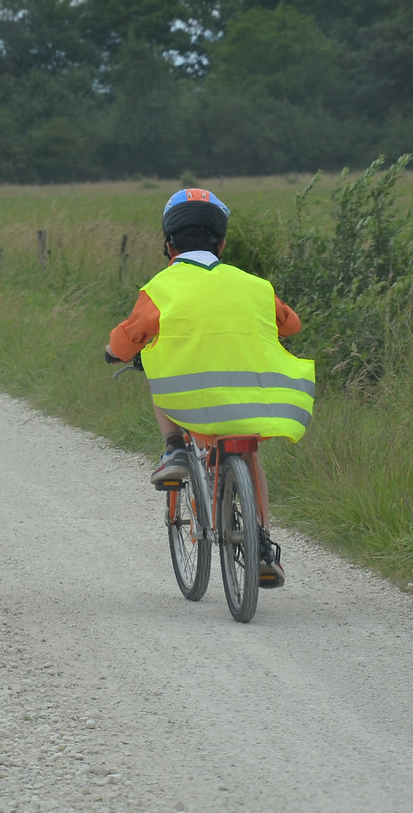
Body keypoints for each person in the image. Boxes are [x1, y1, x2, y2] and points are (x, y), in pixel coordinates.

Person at [104, 188, 315, 587]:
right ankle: (262, 545)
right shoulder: (256, 285)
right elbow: (291, 325)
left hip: (190, 405)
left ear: (168, 245)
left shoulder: (160, 288)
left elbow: (127, 339)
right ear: (221, 243)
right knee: (250, 458)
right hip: (250, 405)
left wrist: (113, 354)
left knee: (157, 366)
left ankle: (175, 449)